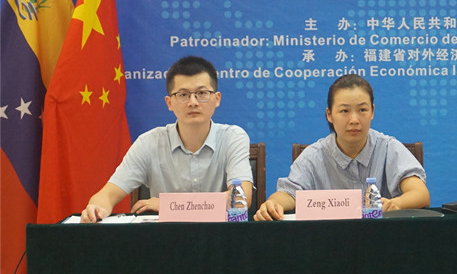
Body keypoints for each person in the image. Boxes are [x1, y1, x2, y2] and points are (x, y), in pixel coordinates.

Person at [80, 56, 253, 222]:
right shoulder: (148, 143)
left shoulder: (233, 137)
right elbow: (107, 194)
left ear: (217, 99)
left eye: (202, 93)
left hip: (220, 236)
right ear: (169, 103)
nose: (193, 102)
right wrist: (97, 208)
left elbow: (240, 200)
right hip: (165, 238)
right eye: (183, 95)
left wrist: (169, 205)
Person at [255, 74, 429, 221]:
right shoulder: (313, 156)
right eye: (344, 111)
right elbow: (289, 193)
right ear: (329, 115)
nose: (354, 120)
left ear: (372, 112)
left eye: (362, 110)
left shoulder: (389, 148)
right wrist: (273, 204)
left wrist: (396, 204)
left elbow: (420, 193)